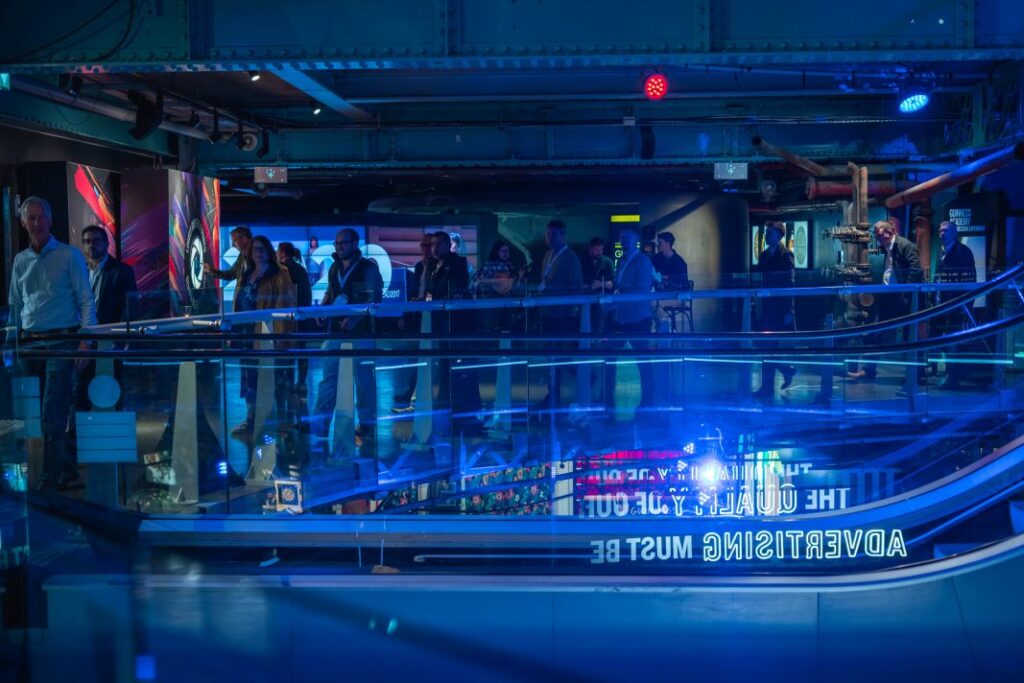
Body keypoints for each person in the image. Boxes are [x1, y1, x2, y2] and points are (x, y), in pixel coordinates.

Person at [8, 197, 96, 491]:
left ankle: (48, 480)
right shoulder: (21, 261)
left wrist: (85, 342)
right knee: (28, 414)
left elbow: (86, 300)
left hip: (62, 341)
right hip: (29, 344)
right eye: (30, 218)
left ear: (49, 220)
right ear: (23, 223)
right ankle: (63, 470)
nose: (35, 223)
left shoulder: (69, 256)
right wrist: (12, 342)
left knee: (52, 413)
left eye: (40, 217)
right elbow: (16, 305)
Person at [314, 229, 383, 448]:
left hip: (361, 332)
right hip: (335, 330)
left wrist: (355, 319)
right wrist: (322, 311)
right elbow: (331, 293)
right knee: (328, 379)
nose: (339, 247)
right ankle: (320, 424)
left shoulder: (368, 268)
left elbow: (375, 298)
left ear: (355, 243)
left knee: (363, 380)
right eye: (337, 243)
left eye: (343, 243)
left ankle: (367, 424)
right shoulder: (334, 267)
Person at [847, 219, 923, 392]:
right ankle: (869, 370)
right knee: (877, 333)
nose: (877, 238)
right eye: (876, 235)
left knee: (909, 338)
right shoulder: (888, 248)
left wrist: (906, 295)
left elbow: (916, 269)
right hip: (890, 298)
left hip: (903, 299)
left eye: (879, 235)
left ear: (889, 232)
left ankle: (914, 377)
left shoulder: (904, 245)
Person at [231, 235, 296, 435]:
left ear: (269, 251)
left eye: (261, 248)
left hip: (267, 334)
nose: (258, 252)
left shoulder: (280, 274)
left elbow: (286, 305)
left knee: (273, 379)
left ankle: (280, 422)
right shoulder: (246, 273)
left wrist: (277, 336)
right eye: (254, 249)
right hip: (244, 333)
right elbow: (239, 302)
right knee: (249, 378)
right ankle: (251, 419)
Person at [71, 224, 138, 414]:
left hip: (110, 340)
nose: (91, 245)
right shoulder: (80, 271)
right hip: (84, 339)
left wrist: (124, 337)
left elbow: (130, 306)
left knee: (111, 387)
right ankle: (77, 438)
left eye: (96, 241)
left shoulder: (121, 271)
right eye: (86, 242)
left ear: (106, 243)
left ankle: (112, 432)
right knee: (79, 390)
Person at [427, 231, 481, 426]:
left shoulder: (457, 263)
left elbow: (457, 289)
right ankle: (448, 407)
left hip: (458, 324)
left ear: (446, 245)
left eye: (438, 244)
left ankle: (467, 411)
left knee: (461, 366)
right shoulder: (432, 265)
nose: (434, 248)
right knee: (443, 366)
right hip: (440, 323)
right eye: (432, 244)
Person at [604, 228, 656, 414]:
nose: (624, 240)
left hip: (637, 318)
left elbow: (641, 289)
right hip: (622, 317)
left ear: (636, 240)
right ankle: (607, 397)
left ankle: (649, 399)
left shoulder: (642, 261)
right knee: (611, 357)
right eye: (621, 237)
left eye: (627, 237)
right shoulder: (623, 261)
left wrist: (619, 295)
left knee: (642, 360)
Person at [535, 219, 583, 412]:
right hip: (549, 313)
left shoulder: (570, 258)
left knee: (558, 352)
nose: (549, 237)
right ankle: (553, 392)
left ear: (563, 236)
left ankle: (580, 377)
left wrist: (573, 312)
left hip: (562, 315)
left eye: (553, 234)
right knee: (550, 352)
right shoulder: (548, 255)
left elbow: (576, 286)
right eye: (548, 234)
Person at [752, 221, 797, 399]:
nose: (766, 236)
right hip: (765, 306)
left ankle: (769, 386)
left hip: (778, 308)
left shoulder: (786, 255)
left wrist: (788, 310)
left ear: (778, 235)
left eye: (769, 233)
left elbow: (790, 283)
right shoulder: (763, 256)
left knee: (768, 346)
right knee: (766, 346)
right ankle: (784, 372)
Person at [391, 235, 434, 413]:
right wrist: (405, 314)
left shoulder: (436, 266)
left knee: (425, 356)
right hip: (419, 316)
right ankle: (412, 395)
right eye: (422, 245)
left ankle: (413, 395)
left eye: (427, 245)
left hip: (432, 315)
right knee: (419, 356)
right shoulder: (418, 267)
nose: (425, 249)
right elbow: (413, 293)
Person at [935, 220, 978, 389]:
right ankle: (951, 375)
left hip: (955, 305)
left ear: (954, 233)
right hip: (942, 305)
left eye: (945, 231)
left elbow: (969, 279)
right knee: (947, 341)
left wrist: (965, 304)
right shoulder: (942, 252)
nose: (942, 234)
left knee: (954, 342)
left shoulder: (963, 252)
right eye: (940, 231)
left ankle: (953, 377)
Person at [276, 242, 314, 393]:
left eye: (278, 252)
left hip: (287, 317)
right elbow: (307, 293)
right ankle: (301, 382)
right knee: (301, 350)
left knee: (287, 350)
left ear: (283, 253)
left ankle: (288, 381)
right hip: (301, 315)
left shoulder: (283, 270)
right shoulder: (301, 269)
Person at [473, 239, 524, 332]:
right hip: (491, 303)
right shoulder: (488, 265)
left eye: (507, 251)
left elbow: (513, 285)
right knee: (489, 329)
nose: (505, 253)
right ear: (497, 252)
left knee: (505, 328)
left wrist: (519, 277)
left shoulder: (510, 265)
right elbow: (477, 279)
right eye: (502, 251)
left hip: (507, 302)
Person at [204, 225, 252, 311]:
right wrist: (211, 271)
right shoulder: (242, 256)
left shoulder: (256, 257)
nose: (233, 246)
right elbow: (231, 274)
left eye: (234, 241)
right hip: (242, 304)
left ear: (244, 239)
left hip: (252, 305)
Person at [651, 231, 690, 333]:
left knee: (653, 304)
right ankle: (664, 323)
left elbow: (682, 286)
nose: (657, 245)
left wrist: (666, 280)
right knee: (651, 303)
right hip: (659, 295)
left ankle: (664, 325)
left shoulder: (679, 262)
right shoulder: (655, 259)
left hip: (676, 296)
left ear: (668, 244)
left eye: (660, 242)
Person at [581, 237, 614, 333]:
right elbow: (577, 282)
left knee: (601, 325)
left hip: (603, 301)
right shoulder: (582, 262)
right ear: (590, 249)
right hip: (585, 300)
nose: (599, 252)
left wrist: (601, 284)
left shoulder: (608, 263)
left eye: (601, 250)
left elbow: (613, 284)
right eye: (596, 250)